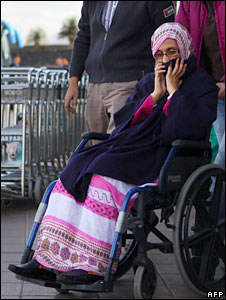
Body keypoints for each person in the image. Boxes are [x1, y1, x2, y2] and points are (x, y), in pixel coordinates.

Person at [8, 23, 218, 285]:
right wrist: (155, 95)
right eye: (160, 55)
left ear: (186, 51)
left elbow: (183, 131)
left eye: (172, 52)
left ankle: (91, 264)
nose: (166, 60)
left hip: (165, 158)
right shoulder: (147, 83)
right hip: (133, 149)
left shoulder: (202, 86)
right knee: (71, 175)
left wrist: (174, 93)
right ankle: (48, 259)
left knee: (102, 181)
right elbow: (122, 124)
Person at [64, 1, 175, 139]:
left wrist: (158, 82)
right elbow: (83, 37)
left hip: (131, 83)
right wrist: (73, 82)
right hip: (95, 86)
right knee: (95, 145)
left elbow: (167, 37)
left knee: (118, 143)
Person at [175, 1, 225, 273]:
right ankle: (207, 252)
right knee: (212, 169)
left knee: (219, 168)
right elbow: (179, 40)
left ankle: (206, 253)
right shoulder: (190, 4)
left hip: (221, 88)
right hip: (215, 92)